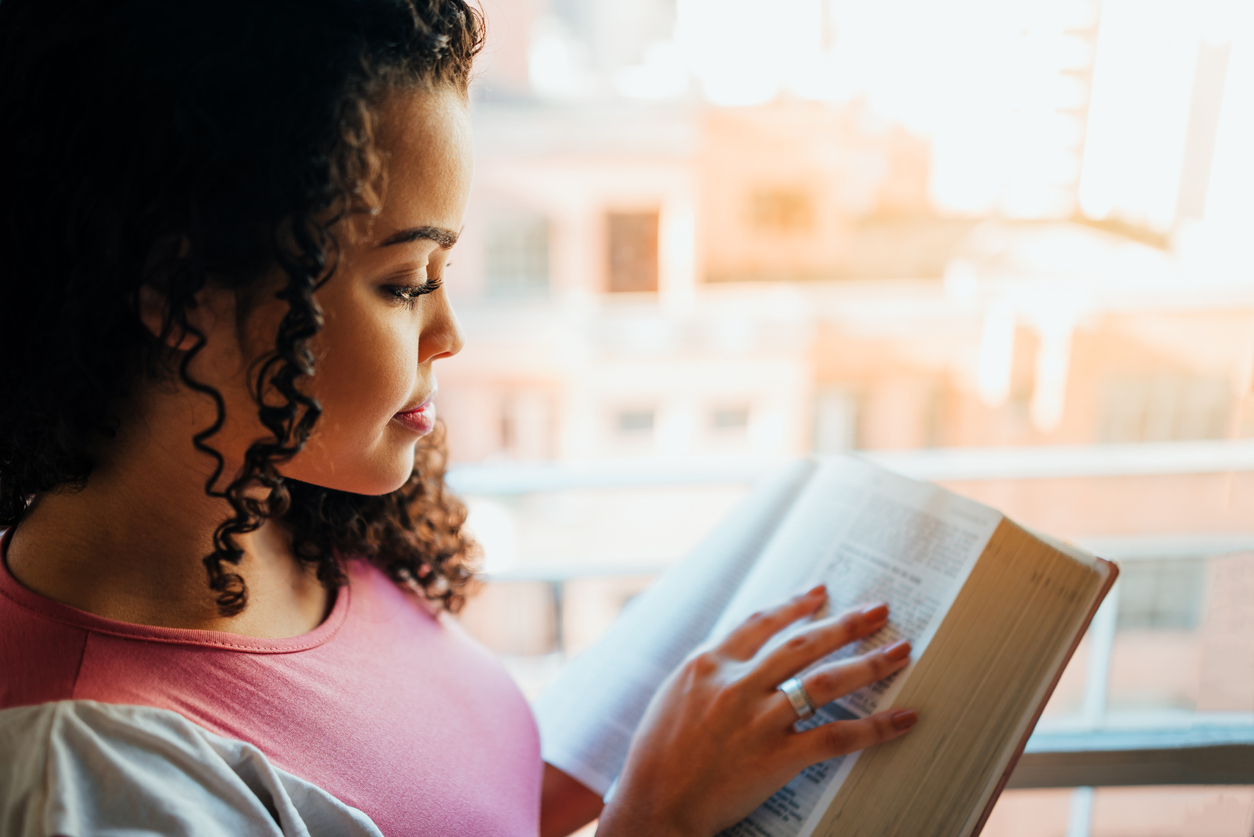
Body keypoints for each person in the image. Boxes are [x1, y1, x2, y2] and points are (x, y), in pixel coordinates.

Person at [0, 1, 919, 834]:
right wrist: (655, 821)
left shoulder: (293, 504)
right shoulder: (86, 779)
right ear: (180, 292)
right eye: (404, 282)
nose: (449, 333)